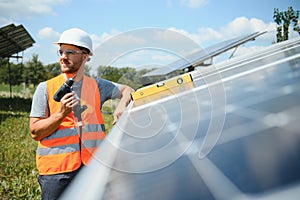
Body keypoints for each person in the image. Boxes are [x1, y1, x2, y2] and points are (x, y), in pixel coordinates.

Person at [29, 28, 134, 199]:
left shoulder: (98, 85)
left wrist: (122, 104)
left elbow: (128, 90)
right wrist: (60, 115)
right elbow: (34, 132)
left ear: (85, 56)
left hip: (91, 169)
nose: (63, 56)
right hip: (56, 173)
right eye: (61, 51)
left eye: (70, 52)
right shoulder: (45, 88)